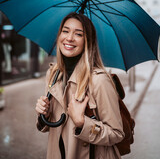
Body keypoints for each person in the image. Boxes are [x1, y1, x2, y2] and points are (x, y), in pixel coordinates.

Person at [35, 12, 124, 159]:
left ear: (87, 41)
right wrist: (43, 114)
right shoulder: (53, 74)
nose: (69, 38)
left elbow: (116, 133)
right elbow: (53, 126)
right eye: (65, 31)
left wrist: (82, 123)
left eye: (78, 34)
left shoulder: (99, 81)